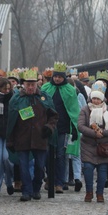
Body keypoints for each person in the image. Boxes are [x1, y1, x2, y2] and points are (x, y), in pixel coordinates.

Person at [6, 68, 58, 202]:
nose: (30, 87)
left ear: (37, 84)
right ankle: (26, 191)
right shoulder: (16, 99)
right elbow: (11, 121)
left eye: (33, 84)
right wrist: (10, 140)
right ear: (23, 84)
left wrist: (49, 127)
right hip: (22, 139)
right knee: (23, 167)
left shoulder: (44, 97)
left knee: (40, 166)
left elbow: (53, 116)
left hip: (40, 138)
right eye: (28, 84)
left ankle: (36, 188)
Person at [40, 62, 81, 193]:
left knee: (60, 155)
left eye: (60, 77)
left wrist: (75, 128)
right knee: (47, 154)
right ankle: (49, 179)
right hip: (48, 127)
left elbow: (74, 110)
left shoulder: (70, 90)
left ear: (64, 77)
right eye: (55, 76)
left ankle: (59, 182)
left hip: (62, 128)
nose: (57, 79)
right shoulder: (45, 88)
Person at [77, 82, 108, 203]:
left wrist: (104, 133)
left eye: (98, 99)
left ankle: (100, 193)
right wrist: (94, 133)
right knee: (88, 169)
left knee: (102, 171)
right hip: (88, 145)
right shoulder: (85, 109)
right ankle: (89, 191)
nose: (95, 101)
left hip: (104, 146)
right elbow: (80, 126)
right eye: (93, 98)